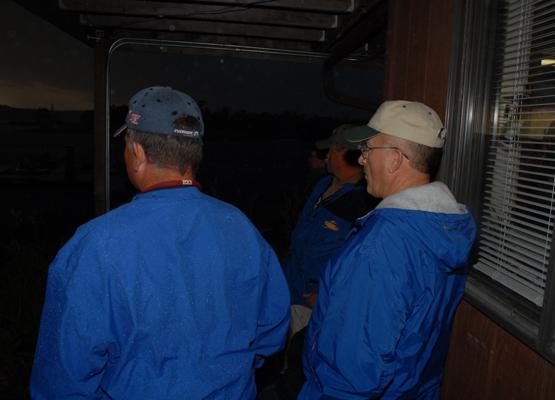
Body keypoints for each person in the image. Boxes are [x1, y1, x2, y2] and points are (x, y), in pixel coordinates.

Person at [30, 86, 290, 399]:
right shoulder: (240, 227)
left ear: (137, 152)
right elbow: (272, 331)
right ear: (193, 152)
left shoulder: (96, 244)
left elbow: (63, 375)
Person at [299, 101, 476, 399]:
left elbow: (353, 375)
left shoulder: (381, 247)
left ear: (395, 159)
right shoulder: (442, 228)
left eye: (368, 149)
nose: (361, 159)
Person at [283, 124, 377, 318]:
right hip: (291, 288)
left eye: (330, 150)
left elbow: (362, 263)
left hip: (317, 303)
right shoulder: (322, 184)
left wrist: (329, 296)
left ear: (345, 153)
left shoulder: (364, 201)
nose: (326, 156)